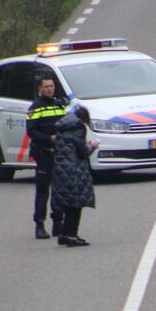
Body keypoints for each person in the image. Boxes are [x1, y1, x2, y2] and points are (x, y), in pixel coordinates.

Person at [51, 101, 98, 246]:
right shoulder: (77, 128)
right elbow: (83, 151)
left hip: (60, 170)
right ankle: (71, 236)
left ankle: (64, 234)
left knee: (67, 202)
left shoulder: (62, 127)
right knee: (76, 204)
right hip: (75, 170)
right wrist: (92, 145)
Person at [26, 76, 67, 239]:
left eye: (52, 86)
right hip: (44, 153)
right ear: (40, 89)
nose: (50, 89)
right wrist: (48, 138)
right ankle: (39, 225)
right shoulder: (35, 108)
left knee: (60, 190)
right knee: (43, 191)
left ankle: (58, 224)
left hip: (60, 154)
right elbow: (31, 131)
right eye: (46, 86)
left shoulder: (59, 105)